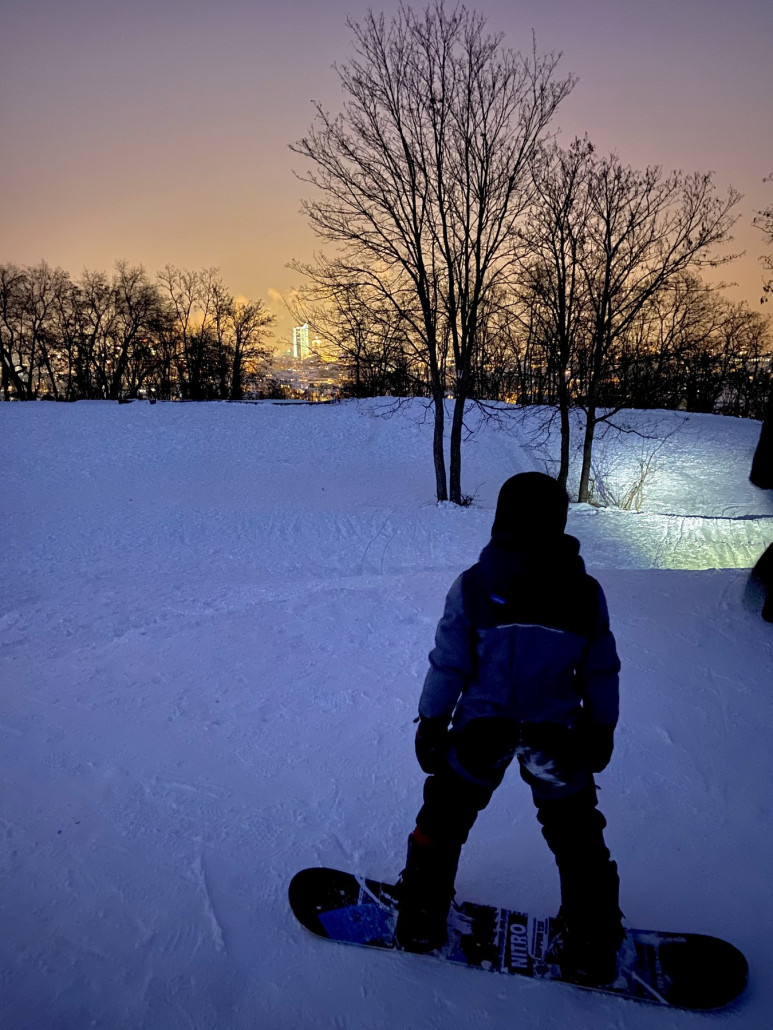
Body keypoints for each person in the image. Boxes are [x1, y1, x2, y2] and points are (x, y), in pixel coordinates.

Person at [395, 472, 624, 985]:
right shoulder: (584, 593)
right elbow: (599, 669)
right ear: (560, 522)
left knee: (446, 814)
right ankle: (591, 938)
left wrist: (432, 720)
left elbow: (449, 662)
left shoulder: (475, 587)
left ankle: (421, 914)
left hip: (483, 728)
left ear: (501, 519)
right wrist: (602, 727)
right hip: (556, 734)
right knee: (575, 832)